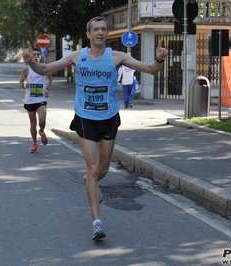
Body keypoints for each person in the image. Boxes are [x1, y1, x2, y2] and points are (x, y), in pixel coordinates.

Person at [22, 16, 168, 240]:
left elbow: (150, 69)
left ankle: (90, 181)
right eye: (96, 29)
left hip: (109, 117)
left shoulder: (117, 57)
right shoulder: (76, 57)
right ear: (88, 34)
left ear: (107, 34)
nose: (100, 32)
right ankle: (97, 223)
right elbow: (43, 69)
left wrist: (159, 60)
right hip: (85, 117)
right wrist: (30, 61)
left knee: (103, 170)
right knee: (92, 168)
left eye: (104, 29)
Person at [19, 47, 52, 153]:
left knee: (42, 120)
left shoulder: (44, 68)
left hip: (41, 98)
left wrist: (47, 89)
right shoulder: (26, 69)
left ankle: (41, 131)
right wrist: (25, 84)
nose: (36, 56)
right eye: (34, 54)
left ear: (41, 56)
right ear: (31, 56)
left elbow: (50, 79)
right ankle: (34, 143)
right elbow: (20, 83)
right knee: (33, 123)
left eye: (38, 54)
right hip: (30, 99)